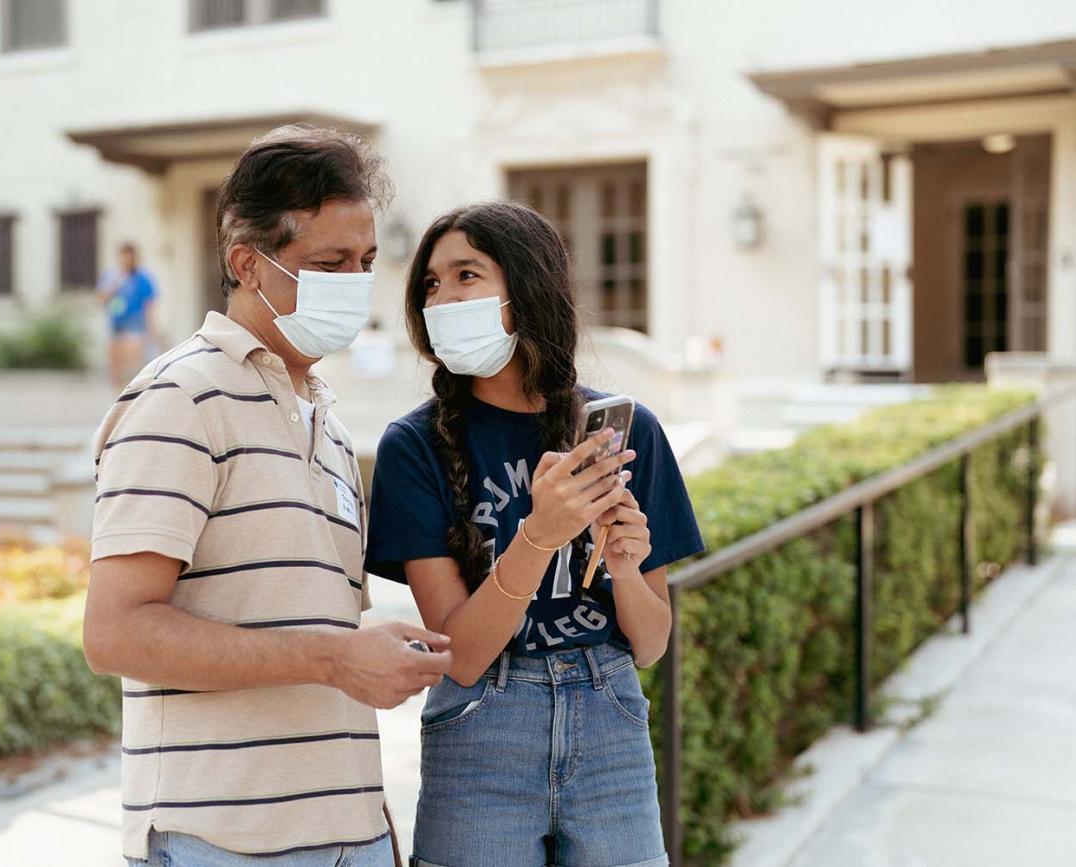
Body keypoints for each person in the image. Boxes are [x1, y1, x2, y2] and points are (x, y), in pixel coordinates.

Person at [83, 125, 452, 867]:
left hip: (354, 835)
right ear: (247, 263)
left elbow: (315, 628)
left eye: (366, 262)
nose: (354, 281)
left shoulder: (330, 419)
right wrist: (333, 659)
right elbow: (114, 633)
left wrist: (373, 657)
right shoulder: (178, 400)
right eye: (329, 262)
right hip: (223, 842)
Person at [365, 202, 705, 867]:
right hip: (480, 727)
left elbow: (652, 642)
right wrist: (539, 534)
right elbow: (460, 655)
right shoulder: (412, 447)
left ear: (525, 290)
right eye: (432, 284)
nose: (443, 297)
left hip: (610, 720)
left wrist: (625, 565)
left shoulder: (628, 434)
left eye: (467, 275)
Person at [97, 241, 160, 390]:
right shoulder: (111, 276)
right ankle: (117, 390)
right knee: (114, 357)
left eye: (129, 256)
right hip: (115, 320)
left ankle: (130, 388)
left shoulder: (143, 278)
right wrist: (113, 288)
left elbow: (149, 304)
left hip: (135, 322)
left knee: (132, 357)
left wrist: (151, 329)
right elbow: (100, 299)